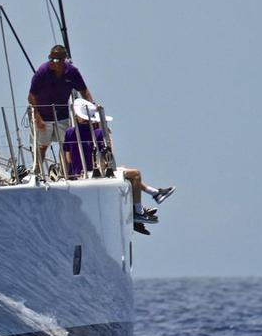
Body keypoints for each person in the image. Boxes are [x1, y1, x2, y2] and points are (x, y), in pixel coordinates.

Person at [67, 100, 175, 234]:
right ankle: (139, 211)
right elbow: (108, 156)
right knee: (135, 174)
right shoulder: (99, 133)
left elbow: (68, 158)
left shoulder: (70, 132)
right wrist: (107, 134)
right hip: (92, 172)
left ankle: (154, 194)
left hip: (76, 172)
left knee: (123, 170)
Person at [28, 44, 93, 173]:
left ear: (64, 60)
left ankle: (65, 172)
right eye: (50, 58)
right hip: (43, 114)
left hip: (62, 114)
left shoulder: (72, 72)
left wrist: (91, 110)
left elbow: (84, 91)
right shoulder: (42, 71)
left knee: (65, 144)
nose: (52, 62)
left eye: (56, 60)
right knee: (43, 145)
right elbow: (31, 96)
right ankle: (37, 171)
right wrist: (37, 117)